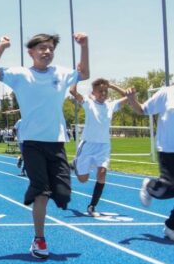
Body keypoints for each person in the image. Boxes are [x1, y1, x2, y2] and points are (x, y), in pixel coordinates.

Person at [0, 32, 89, 259]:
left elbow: (85, 73)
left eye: (50, 48)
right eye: (42, 48)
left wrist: (84, 46)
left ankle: (56, 184)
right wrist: (1, 46)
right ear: (31, 52)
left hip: (56, 141)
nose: (47, 52)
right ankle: (39, 239)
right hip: (31, 142)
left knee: (62, 195)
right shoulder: (21, 74)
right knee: (41, 192)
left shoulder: (61, 73)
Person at [69, 80, 128, 217]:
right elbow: (72, 91)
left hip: (104, 146)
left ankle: (92, 206)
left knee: (102, 173)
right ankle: (74, 164)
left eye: (105, 91)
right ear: (93, 92)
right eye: (100, 91)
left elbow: (129, 97)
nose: (103, 93)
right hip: (88, 145)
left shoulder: (111, 105)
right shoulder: (88, 103)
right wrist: (76, 79)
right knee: (83, 179)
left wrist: (113, 85)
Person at [127, 85, 174, 240]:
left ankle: (171, 226)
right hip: (168, 149)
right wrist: (132, 100)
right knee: (169, 186)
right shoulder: (166, 93)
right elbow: (143, 109)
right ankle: (150, 186)